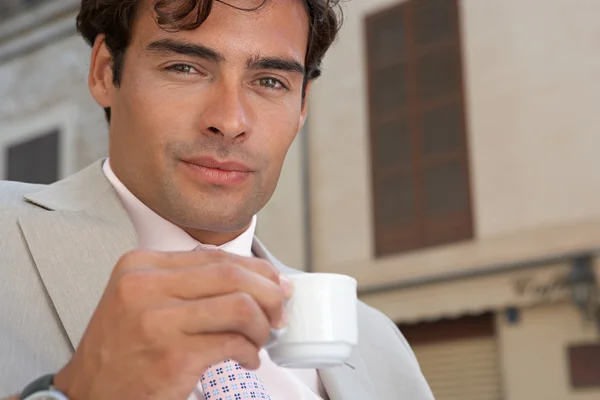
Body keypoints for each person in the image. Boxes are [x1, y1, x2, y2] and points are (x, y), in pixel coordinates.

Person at [0, 0, 434, 399]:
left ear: (302, 106)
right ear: (104, 71)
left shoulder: (379, 344)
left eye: (269, 81)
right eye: (185, 68)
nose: (229, 121)